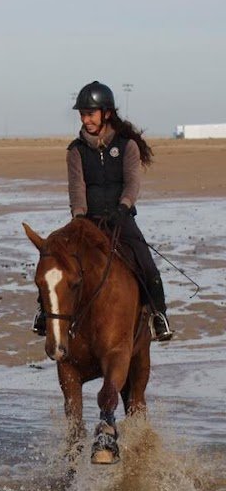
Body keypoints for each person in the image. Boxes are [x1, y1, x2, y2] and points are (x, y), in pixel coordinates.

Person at [32, 81, 173, 342]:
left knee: (146, 263)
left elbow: (132, 182)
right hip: (88, 219)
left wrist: (124, 207)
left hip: (121, 217)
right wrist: (79, 216)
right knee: (53, 257)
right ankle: (43, 314)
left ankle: (159, 316)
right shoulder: (76, 150)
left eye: (90, 114)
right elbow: (77, 185)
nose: (86, 119)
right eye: (82, 114)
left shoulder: (127, 145)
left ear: (106, 113)